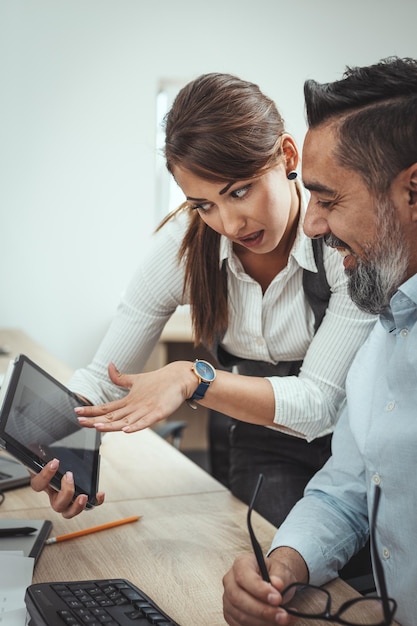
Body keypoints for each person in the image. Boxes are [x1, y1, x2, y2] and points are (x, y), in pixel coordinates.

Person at [31, 73, 374, 527]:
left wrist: (194, 379)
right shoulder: (185, 250)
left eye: (239, 191)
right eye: (204, 205)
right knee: (271, 576)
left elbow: (318, 404)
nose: (230, 224)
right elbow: (103, 380)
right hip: (263, 443)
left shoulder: (339, 240)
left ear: (287, 156)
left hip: (358, 440)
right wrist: (49, 448)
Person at [222, 56, 417, 626]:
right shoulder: (387, 328)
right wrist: (283, 564)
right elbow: (348, 491)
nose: (311, 226)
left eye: (329, 200)